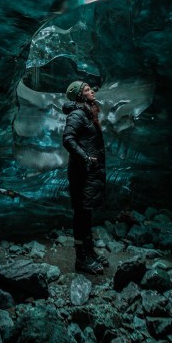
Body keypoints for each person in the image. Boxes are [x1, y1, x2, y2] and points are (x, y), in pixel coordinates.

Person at [62, 80, 109, 275]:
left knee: (86, 213)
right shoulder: (77, 114)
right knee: (81, 214)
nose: (92, 92)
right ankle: (81, 258)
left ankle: (89, 252)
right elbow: (68, 139)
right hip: (82, 172)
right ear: (80, 95)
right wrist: (86, 158)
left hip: (88, 171)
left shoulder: (87, 112)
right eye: (88, 90)